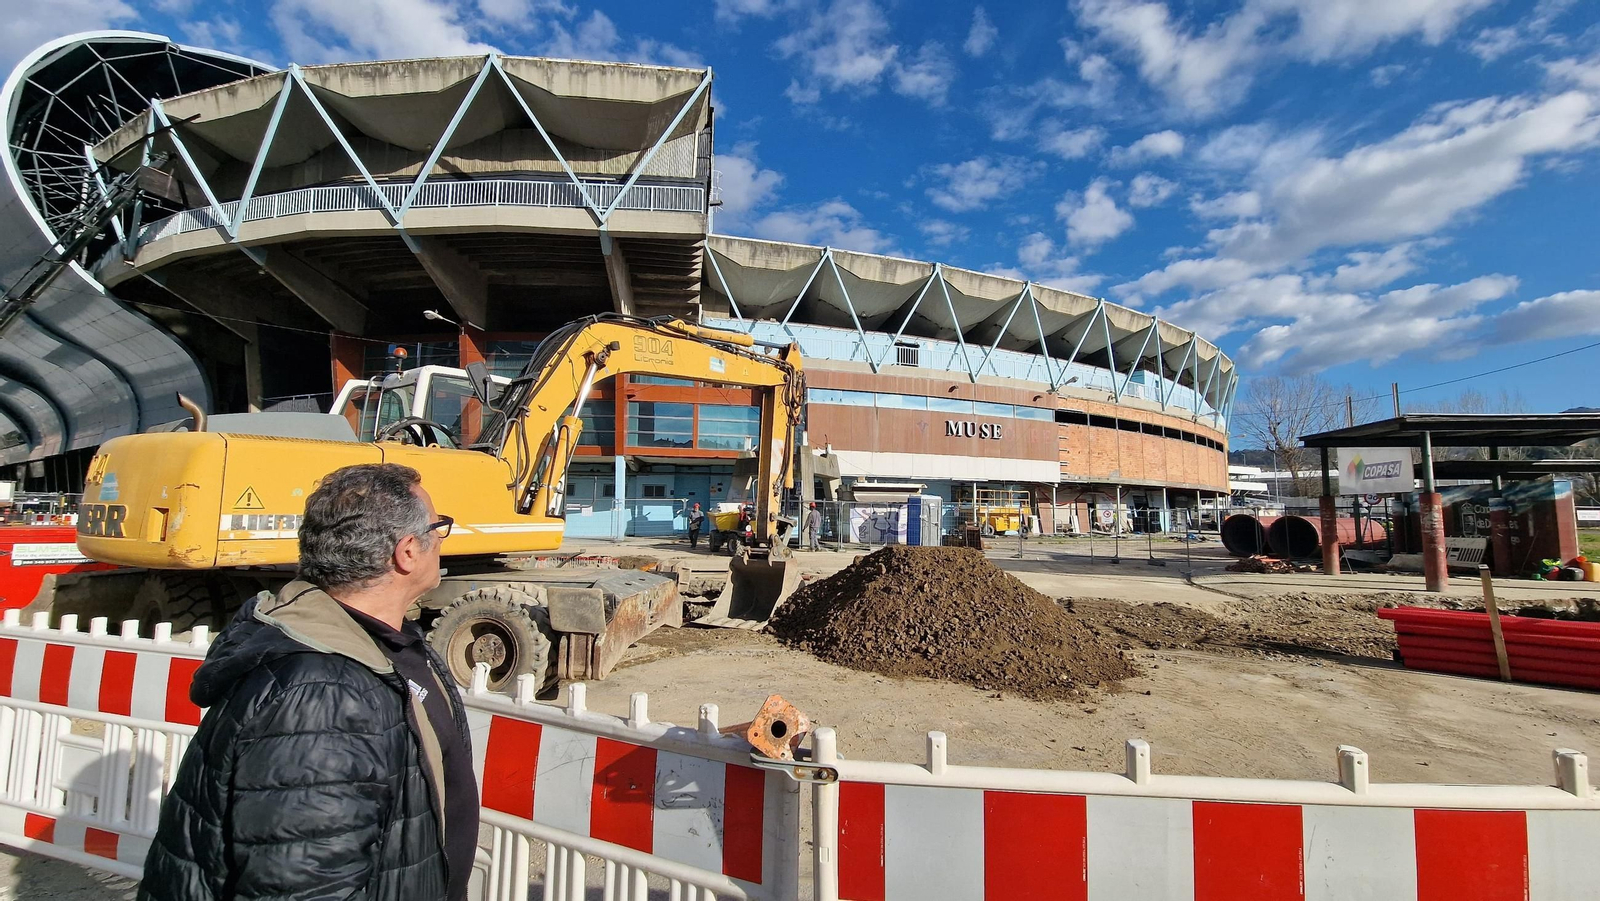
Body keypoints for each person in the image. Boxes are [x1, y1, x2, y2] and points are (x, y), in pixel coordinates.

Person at [139, 463, 478, 901]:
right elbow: (303, 882)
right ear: (408, 551)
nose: (441, 541)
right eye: (439, 527)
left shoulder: (376, 646)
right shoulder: (324, 693)